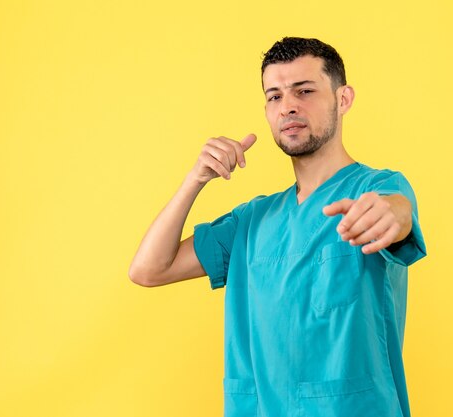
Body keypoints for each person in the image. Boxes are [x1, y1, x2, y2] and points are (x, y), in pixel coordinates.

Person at [129, 37, 427, 417]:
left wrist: (390, 215)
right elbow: (148, 269)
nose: (288, 106)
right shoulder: (252, 221)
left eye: (304, 91)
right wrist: (194, 180)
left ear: (343, 98)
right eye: (274, 96)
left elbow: (397, 212)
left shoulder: (374, 189)